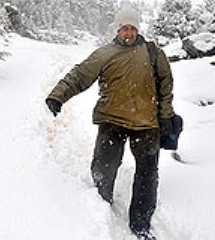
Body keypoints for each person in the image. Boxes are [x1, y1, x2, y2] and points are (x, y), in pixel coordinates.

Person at [45, 8, 175, 240]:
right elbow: (79, 75)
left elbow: (166, 86)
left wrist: (165, 116)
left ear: (138, 29)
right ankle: (99, 209)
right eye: (125, 28)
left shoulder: (154, 53)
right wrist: (58, 96)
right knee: (103, 168)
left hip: (147, 124)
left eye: (133, 28)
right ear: (118, 29)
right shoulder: (105, 54)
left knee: (147, 176)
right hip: (112, 120)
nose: (129, 32)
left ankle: (141, 225)